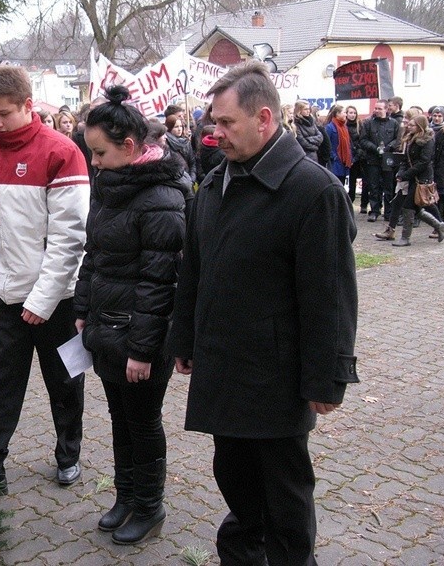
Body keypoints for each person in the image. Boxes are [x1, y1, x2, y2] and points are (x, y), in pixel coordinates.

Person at [168, 61, 359, 566]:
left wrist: (327, 377)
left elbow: (331, 296)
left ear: (265, 119)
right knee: (234, 478)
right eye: (213, 121)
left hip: (277, 373)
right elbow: (195, 271)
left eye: (227, 123)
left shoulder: (312, 191)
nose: (215, 133)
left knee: (285, 497)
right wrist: (183, 339)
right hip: (223, 366)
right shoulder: (213, 185)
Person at [0, 65, 90, 492]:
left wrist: (44, 299)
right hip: (9, 293)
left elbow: (69, 237)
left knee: (66, 380)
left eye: (4, 114)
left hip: (60, 298)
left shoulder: (62, 151)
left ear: (28, 106)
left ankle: (68, 452)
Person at [74, 85, 185, 545]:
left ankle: (149, 505)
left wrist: (142, 349)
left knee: (142, 420)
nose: (93, 162)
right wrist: (83, 308)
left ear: (130, 147)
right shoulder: (109, 183)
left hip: (140, 338)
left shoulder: (161, 197)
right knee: (120, 418)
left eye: (99, 153)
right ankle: (125, 495)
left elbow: (161, 284)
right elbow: (93, 253)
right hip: (107, 327)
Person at [379, 113, 444, 246]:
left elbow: (424, 162)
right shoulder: (410, 138)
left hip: (422, 179)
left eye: (412, 125)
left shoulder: (428, 140)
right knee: (416, 208)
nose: (408, 127)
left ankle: (405, 238)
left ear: (419, 126)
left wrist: (406, 174)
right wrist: (401, 173)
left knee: (409, 206)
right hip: (412, 177)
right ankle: (438, 225)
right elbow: (406, 159)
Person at [360, 100, 400, 222]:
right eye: (375, 108)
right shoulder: (368, 123)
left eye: (379, 109)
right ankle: (374, 211)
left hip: (388, 159)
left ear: (386, 109)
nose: (376, 111)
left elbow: (398, 139)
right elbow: (363, 140)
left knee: (388, 186)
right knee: (374, 186)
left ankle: (388, 212)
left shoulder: (394, 123)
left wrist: (388, 147)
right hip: (373, 158)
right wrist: (375, 148)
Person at [324, 104, 352, 185]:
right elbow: (326, 144)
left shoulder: (344, 127)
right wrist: (333, 156)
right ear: (337, 114)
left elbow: (348, 144)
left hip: (344, 163)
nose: (346, 114)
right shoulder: (329, 127)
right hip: (335, 163)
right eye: (344, 112)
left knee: (342, 185)